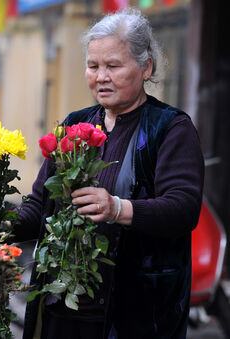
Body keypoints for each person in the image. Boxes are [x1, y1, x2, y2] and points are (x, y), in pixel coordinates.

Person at [13, 8, 204, 339]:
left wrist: (118, 208)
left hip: (134, 314)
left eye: (113, 66)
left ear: (147, 67)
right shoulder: (76, 124)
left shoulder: (170, 128)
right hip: (63, 311)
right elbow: (39, 206)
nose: (101, 76)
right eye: (93, 66)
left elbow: (183, 208)